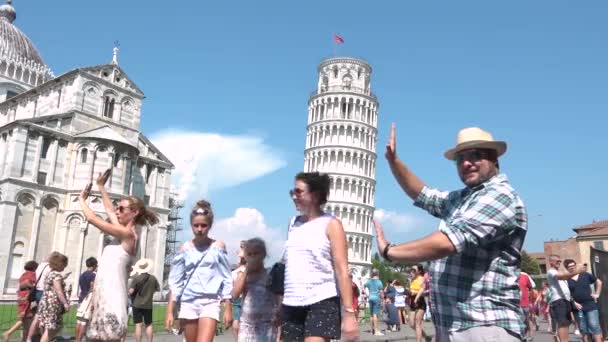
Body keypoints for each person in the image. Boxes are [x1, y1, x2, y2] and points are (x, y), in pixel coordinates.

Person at [374, 125, 528, 341]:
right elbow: (424, 195)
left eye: (475, 155)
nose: (466, 163)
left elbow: (447, 242)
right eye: (460, 158)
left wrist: (391, 251)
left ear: (494, 159)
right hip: (453, 325)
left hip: (484, 324)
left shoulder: (500, 196)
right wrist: (394, 162)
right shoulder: (463, 199)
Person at [79, 169, 159, 341]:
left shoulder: (128, 235)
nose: (118, 212)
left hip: (112, 300)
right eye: (119, 208)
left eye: (122, 209)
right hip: (102, 299)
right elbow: (109, 211)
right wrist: (101, 187)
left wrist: (81, 200)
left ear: (134, 212)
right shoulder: (123, 232)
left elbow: (92, 219)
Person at [281, 172, 358, 341]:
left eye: (299, 192)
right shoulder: (293, 224)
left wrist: (349, 313)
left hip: (322, 299)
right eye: (292, 192)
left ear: (315, 195)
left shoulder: (332, 224)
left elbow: (342, 269)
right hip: (292, 301)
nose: (294, 196)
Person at [166, 200, 233, 342]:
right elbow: (176, 283)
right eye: (196, 225)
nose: (200, 229)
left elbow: (227, 278)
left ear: (210, 226)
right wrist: (170, 311)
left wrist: (228, 308)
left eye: (204, 225)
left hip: (210, 301)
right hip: (189, 302)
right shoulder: (185, 249)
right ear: (191, 226)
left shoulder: (218, 247)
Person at [231, 238, 280, 341]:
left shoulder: (270, 273)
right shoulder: (242, 274)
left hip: (266, 324)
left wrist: (279, 312)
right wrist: (246, 271)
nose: (253, 257)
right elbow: (235, 294)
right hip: (247, 325)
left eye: (256, 253)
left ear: (263, 254)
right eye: (250, 254)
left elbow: (279, 296)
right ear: (245, 256)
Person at [546, 255, 584, 342]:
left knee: (566, 323)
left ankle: (560, 338)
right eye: (557, 261)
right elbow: (562, 276)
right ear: (551, 262)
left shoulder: (559, 271)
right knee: (563, 323)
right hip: (559, 300)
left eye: (560, 261)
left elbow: (565, 277)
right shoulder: (551, 272)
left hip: (565, 301)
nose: (559, 262)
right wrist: (577, 270)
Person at [564, 259, 604, 342]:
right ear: (566, 268)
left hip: (590, 304)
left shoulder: (585, 275)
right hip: (577, 307)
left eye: (573, 265)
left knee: (594, 326)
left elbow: (599, 282)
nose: (572, 268)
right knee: (583, 329)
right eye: (569, 267)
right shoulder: (566, 279)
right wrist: (574, 302)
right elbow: (567, 294)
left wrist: (597, 294)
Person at [2, 261, 38, 342]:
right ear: (34, 267)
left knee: (25, 319)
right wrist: (33, 287)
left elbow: (22, 284)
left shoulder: (23, 274)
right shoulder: (32, 274)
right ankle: (8, 333)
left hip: (21, 296)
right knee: (24, 318)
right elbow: (27, 282)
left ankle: (24, 339)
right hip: (27, 296)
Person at [38, 252, 70, 342]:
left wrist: (63, 278)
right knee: (53, 328)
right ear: (60, 264)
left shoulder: (51, 273)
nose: (65, 267)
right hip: (52, 304)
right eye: (64, 264)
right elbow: (59, 291)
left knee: (50, 327)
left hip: (46, 302)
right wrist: (65, 303)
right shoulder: (56, 275)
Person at [129, 258, 160, 342]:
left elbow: (131, 292)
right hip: (148, 304)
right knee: (149, 324)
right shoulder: (153, 278)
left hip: (137, 304)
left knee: (138, 325)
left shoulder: (136, 279)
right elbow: (157, 289)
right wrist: (150, 293)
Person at [75, 257, 98, 342]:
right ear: (94, 265)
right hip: (88, 299)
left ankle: (77, 339)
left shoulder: (82, 274)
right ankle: (79, 340)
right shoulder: (92, 275)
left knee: (79, 321)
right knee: (84, 322)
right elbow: (92, 287)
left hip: (82, 297)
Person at [409, 264, 430, 342]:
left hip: (420, 302)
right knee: (411, 324)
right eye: (411, 269)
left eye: (414, 270)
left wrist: (416, 293)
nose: (412, 271)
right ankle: (426, 337)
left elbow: (425, 292)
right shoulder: (412, 279)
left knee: (418, 324)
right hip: (412, 302)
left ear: (419, 271)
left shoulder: (421, 279)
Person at [231, 241, 246, 342]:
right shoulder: (245, 268)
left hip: (237, 297)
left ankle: (237, 339)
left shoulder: (235, 271)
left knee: (236, 319)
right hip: (243, 296)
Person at [364, 269, 384, 336]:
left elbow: (364, 287)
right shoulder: (379, 282)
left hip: (370, 298)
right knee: (375, 314)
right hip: (376, 298)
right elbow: (381, 292)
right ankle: (376, 331)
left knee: (371, 314)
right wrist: (383, 299)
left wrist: (367, 295)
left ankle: (372, 330)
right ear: (378, 274)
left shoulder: (369, 281)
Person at [519, 271, 535, 340]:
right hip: (516, 304)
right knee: (520, 320)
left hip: (525, 303)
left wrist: (531, 302)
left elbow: (531, 288)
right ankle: (522, 336)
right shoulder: (510, 276)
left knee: (528, 320)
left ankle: (531, 335)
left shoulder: (524, 276)